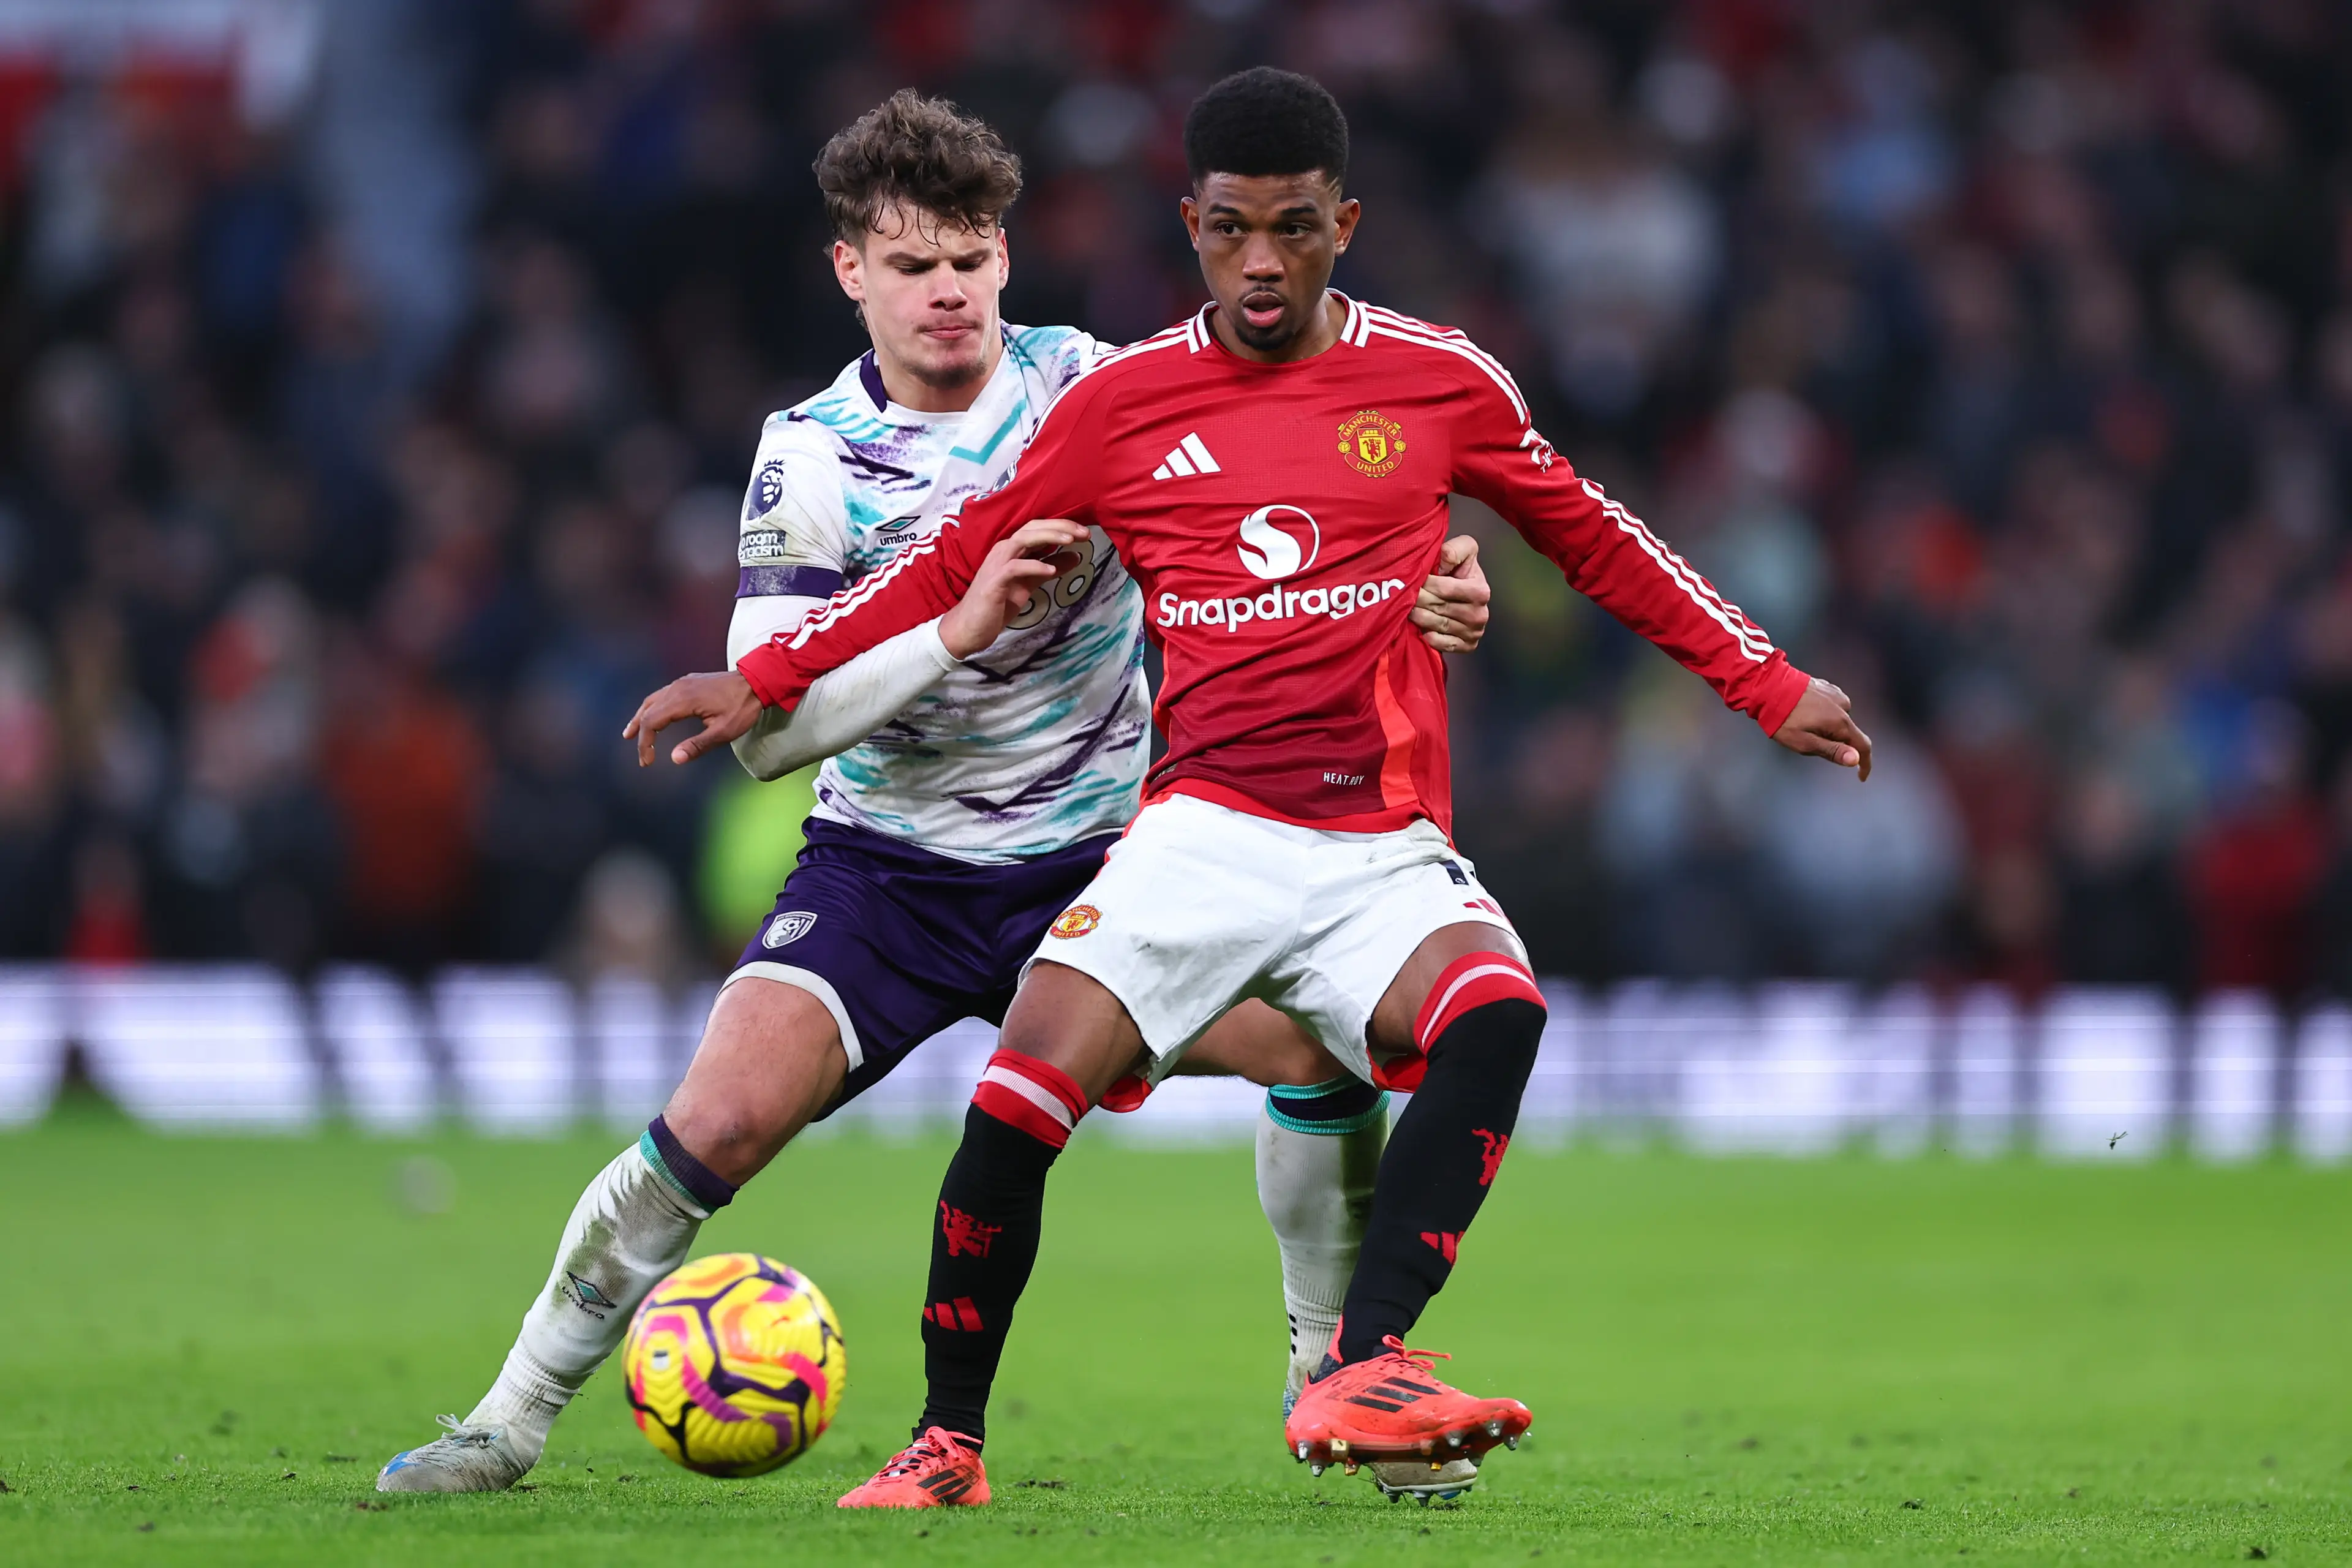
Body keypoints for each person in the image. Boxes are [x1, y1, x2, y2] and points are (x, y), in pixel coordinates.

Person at [643, 67, 1874, 1510]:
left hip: (1379, 842)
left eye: (1295, 228)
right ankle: (949, 1440)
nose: (1264, 263)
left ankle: (1366, 1359)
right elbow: (950, 554)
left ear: (1344, 222)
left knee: (1499, 1010)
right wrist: (774, 676)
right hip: (1195, 834)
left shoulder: (1440, 379)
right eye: (1233, 230)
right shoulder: (1125, 401)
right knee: (1020, 1095)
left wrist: (1767, 682)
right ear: (1193, 226)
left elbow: (1596, 537)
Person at [376, 89, 1493, 1500]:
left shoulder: (1096, 388)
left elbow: (1298, 513)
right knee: (711, 1125)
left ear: (1007, 258)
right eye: (912, 266)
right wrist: (951, 628)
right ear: (853, 272)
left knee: (1323, 1051)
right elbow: (768, 734)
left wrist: (1430, 579)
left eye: (969, 257)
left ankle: (1332, 1383)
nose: (948, 291)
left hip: (1104, 861)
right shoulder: (811, 456)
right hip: (886, 872)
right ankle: (507, 1417)